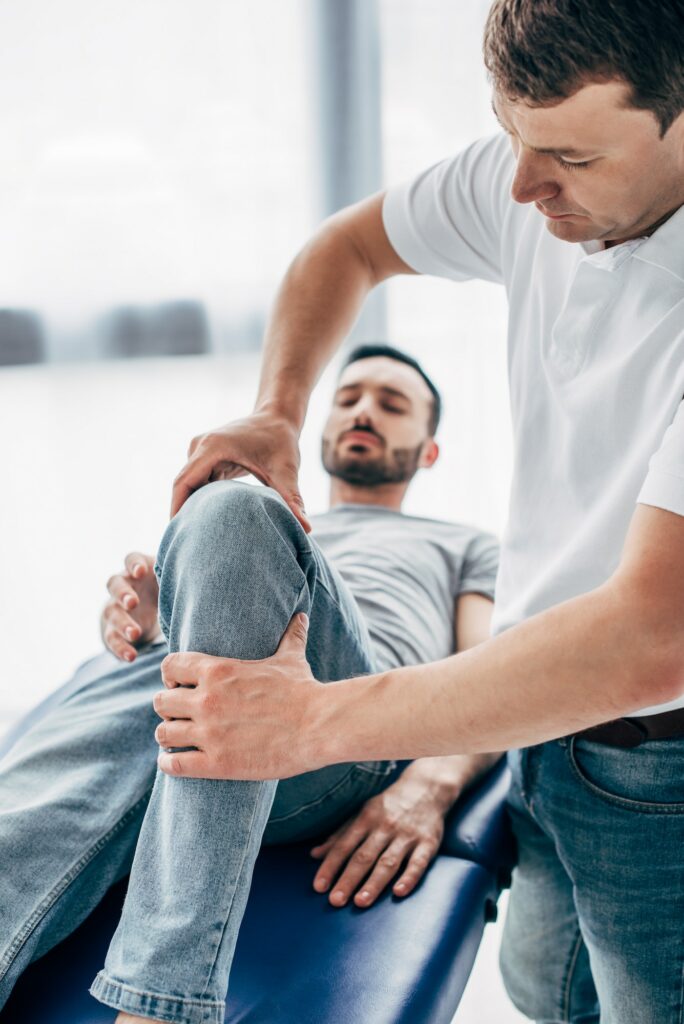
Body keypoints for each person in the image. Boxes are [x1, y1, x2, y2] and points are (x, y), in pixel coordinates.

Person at [156, 2, 684, 1022]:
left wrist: (310, 723)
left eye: (567, 157)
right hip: (534, 723)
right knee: (544, 990)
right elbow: (343, 249)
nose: (524, 189)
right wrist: (276, 411)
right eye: (509, 137)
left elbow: (654, 636)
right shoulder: (527, 174)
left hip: (657, 755)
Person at [0, 345, 502, 1023]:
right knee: (214, 539)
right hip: (183, 690)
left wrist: (428, 786)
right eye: (350, 397)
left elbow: (490, 673)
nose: (363, 411)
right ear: (323, 429)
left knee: (232, 510)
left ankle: (160, 1004)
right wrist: (148, 622)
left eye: (392, 404)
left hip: (338, 724)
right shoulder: (291, 518)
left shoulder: (463, 543)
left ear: (429, 450)